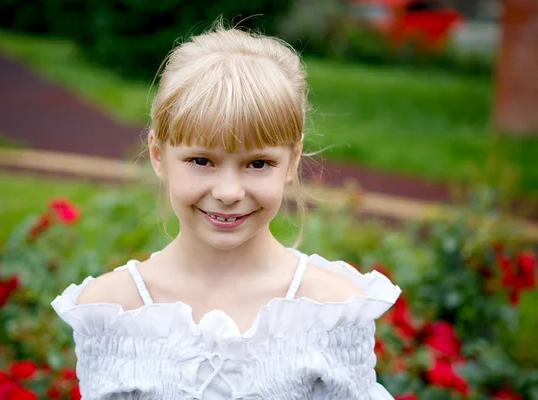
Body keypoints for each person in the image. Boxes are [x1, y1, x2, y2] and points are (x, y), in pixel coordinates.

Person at [52, 19, 401, 400]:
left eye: (257, 164)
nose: (229, 192)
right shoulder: (112, 310)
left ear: (292, 159)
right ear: (157, 154)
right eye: (202, 160)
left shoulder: (331, 310)